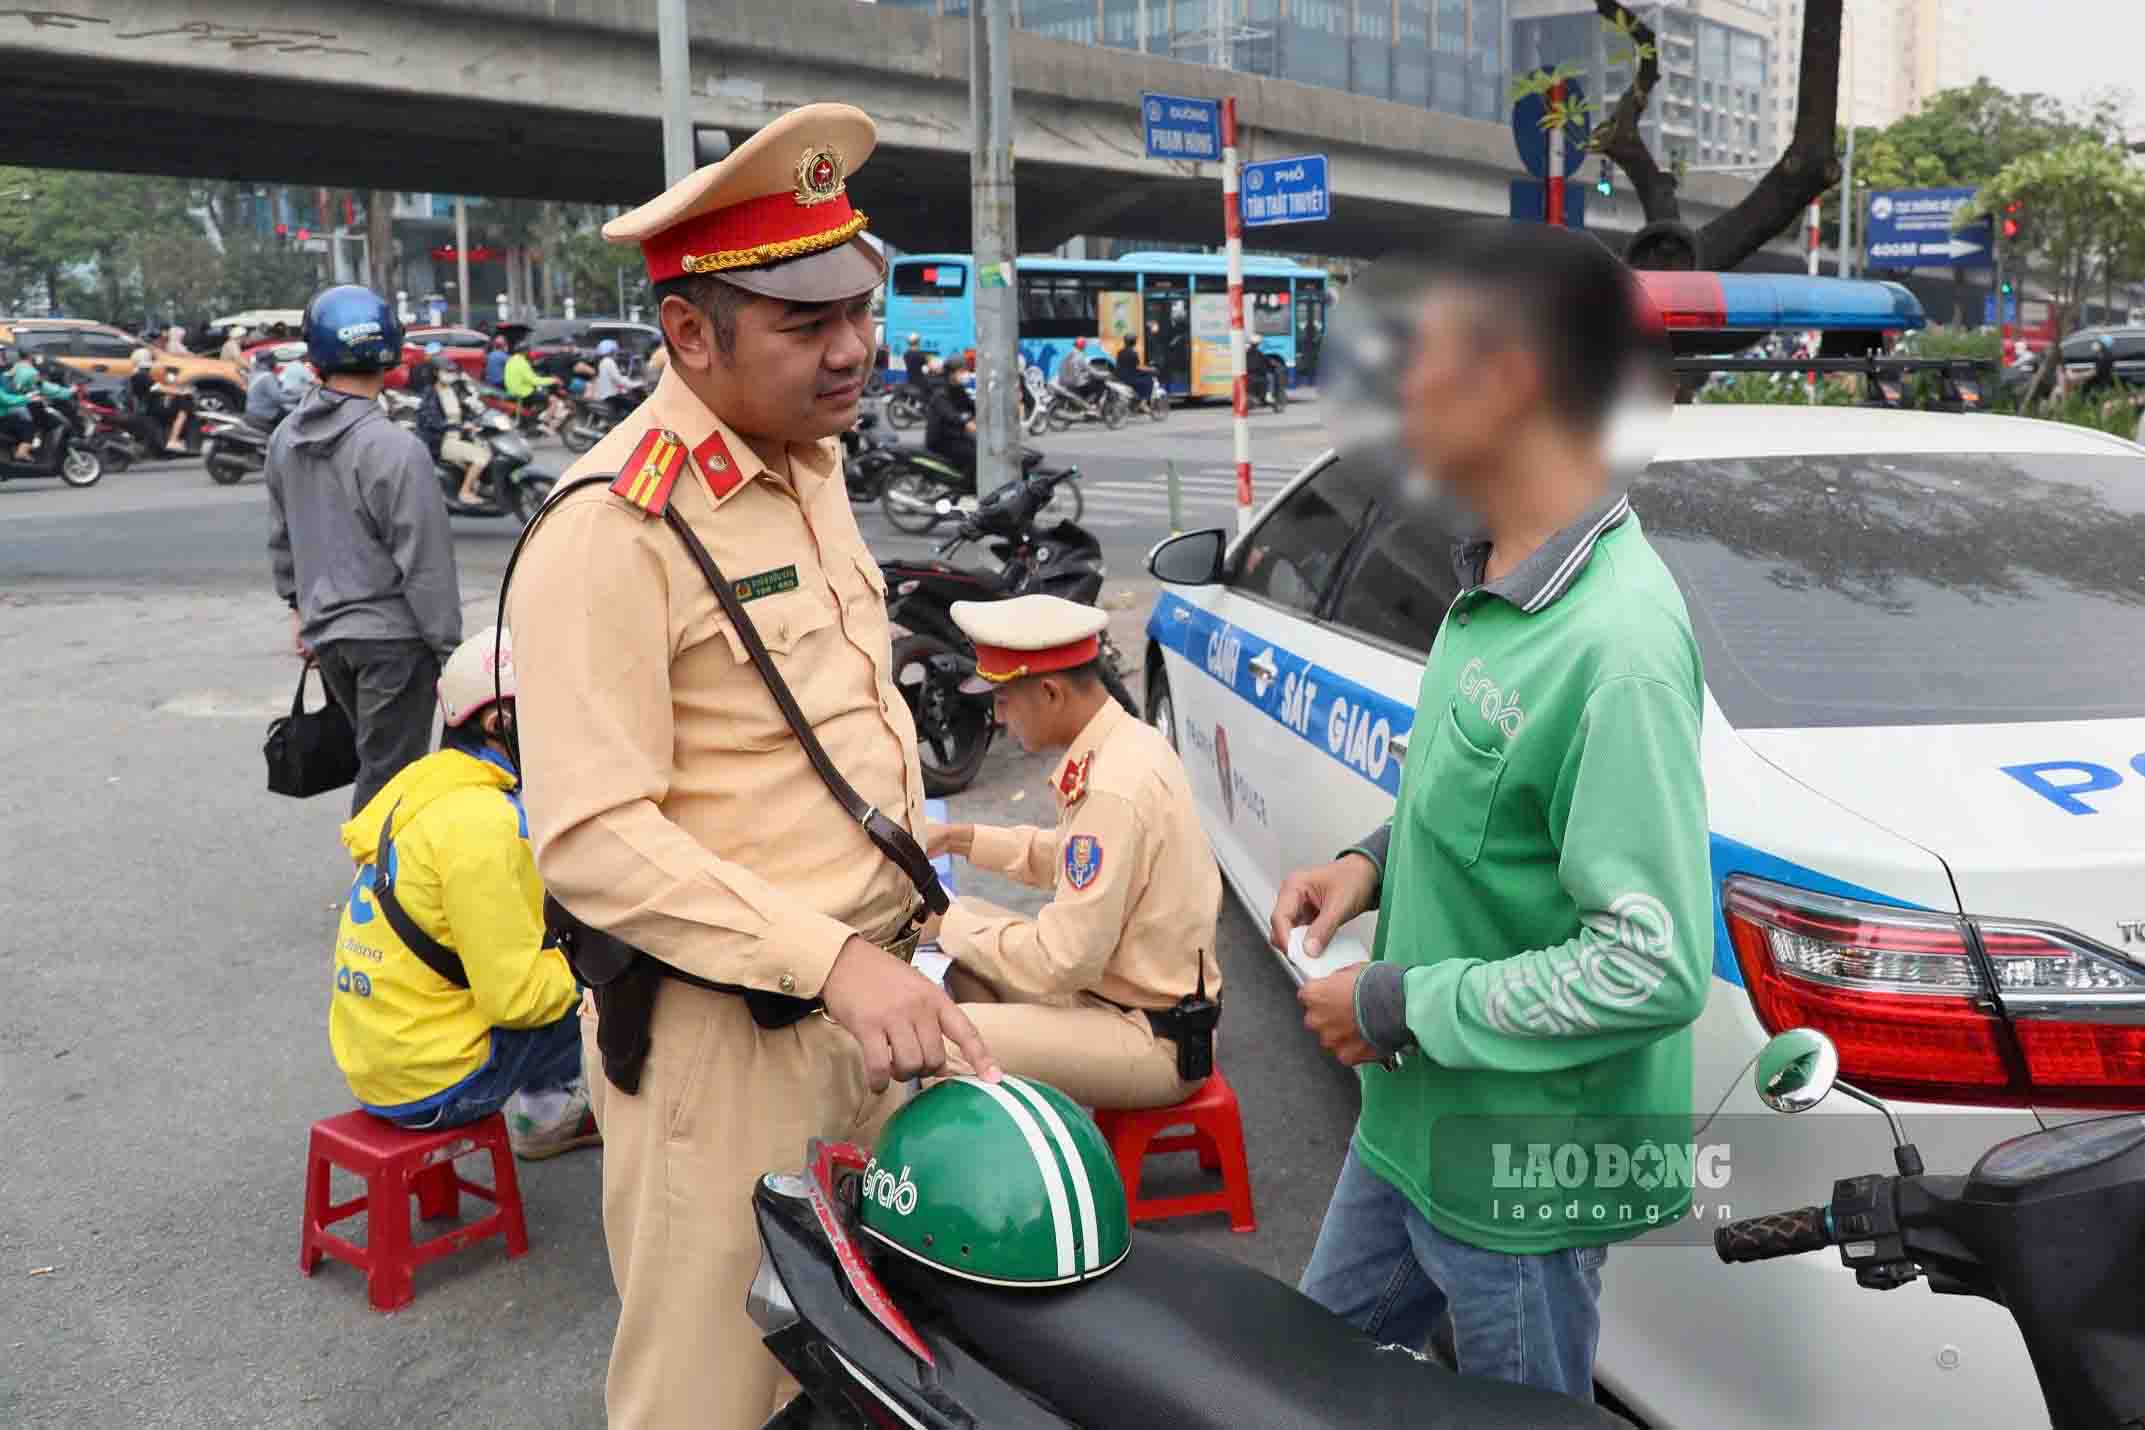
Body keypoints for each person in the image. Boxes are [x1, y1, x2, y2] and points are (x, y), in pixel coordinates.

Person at [506, 101, 998, 1429]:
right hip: (732, 1042)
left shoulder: (811, 463)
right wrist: (829, 955)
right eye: (805, 323)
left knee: (875, 1367)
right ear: (688, 334)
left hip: (876, 1005)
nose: (854, 350)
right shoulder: (616, 529)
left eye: (861, 306)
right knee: (716, 1389)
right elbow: (592, 837)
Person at [1272, 225, 1709, 1402]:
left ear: (1509, 378)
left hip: (1520, 1175)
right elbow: (1486, 792)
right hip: (1411, 1121)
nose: (1393, 388)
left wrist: (1396, 999)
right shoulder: (1492, 579)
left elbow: (1653, 963)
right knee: (1301, 1384)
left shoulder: (1618, 644)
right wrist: (1369, 861)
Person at [926, 594, 1222, 1108]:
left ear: (1049, 692)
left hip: (1150, 1038)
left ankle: (1024, 1166)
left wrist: (946, 926)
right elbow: (1071, 858)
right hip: (1127, 1000)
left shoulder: (1113, 787)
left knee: (934, 1034)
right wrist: (961, 838)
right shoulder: (1126, 741)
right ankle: (1017, 1102)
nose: (998, 718)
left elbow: (1062, 961)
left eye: (1003, 701)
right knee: (962, 935)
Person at [330, 627, 601, 1159]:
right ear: (499, 722)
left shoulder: (422, 784)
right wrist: (593, 969)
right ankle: (546, 1118)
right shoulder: (484, 825)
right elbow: (518, 999)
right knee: (604, 978)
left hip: (377, 1054)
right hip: (433, 1085)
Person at [268, 284, 463, 816]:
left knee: (378, 760)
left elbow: (284, 537)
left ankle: (384, 878)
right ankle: (376, 886)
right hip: (394, 640)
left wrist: (300, 610)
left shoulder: (285, 437)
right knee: (392, 776)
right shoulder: (397, 449)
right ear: (391, 349)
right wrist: (450, 651)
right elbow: (424, 562)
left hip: (331, 636)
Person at [419, 348, 492, 507]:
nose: (450, 374)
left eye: (452, 371)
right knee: (481, 456)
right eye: (446, 371)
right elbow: (432, 421)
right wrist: (458, 426)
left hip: (459, 435)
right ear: (435, 373)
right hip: (444, 442)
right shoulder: (430, 393)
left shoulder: (452, 390)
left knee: (487, 447)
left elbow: (466, 409)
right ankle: (465, 492)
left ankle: (477, 485)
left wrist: (474, 421)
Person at [923, 354, 978, 487]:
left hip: (954, 435)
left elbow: (971, 406)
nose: (965, 374)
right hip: (940, 440)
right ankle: (966, 489)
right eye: (961, 371)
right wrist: (966, 423)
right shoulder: (941, 392)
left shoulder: (958, 389)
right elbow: (950, 415)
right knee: (975, 455)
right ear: (951, 373)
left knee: (980, 447)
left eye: (965, 370)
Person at [587, 337, 635, 419]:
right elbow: (618, 380)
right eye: (615, 350)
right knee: (634, 406)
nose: (616, 353)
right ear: (611, 351)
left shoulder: (601, 362)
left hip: (603, 396)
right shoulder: (609, 361)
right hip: (610, 397)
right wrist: (635, 384)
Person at [245, 355, 296, 431]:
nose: (276, 363)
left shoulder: (254, 374)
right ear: (268, 362)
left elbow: (266, 391)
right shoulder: (267, 376)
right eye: (274, 361)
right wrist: (297, 398)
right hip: (266, 413)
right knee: (294, 418)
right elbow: (278, 398)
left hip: (252, 410)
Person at [1054, 335, 1103, 410]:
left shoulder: (1068, 354)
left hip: (1062, 382)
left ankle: (1085, 401)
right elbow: (1091, 371)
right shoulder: (1079, 355)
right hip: (1075, 383)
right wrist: (1102, 374)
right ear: (1082, 346)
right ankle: (1093, 405)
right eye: (1084, 345)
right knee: (1100, 384)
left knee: (1087, 380)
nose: (1085, 347)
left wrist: (1083, 374)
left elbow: (1071, 368)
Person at [1114, 331, 1151, 403]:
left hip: (1119, 377)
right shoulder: (1133, 354)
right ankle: (1144, 401)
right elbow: (1137, 367)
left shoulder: (1120, 352)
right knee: (1149, 380)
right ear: (1134, 342)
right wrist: (1150, 369)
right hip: (1130, 378)